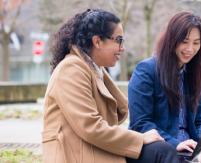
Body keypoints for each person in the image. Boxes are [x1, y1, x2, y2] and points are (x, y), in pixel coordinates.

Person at [42, 9, 179, 163]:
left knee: (161, 149)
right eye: (118, 40)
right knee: (161, 152)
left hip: (95, 150)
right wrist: (140, 138)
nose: (122, 47)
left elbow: (114, 115)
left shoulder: (93, 68)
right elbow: (90, 127)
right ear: (97, 41)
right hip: (77, 155)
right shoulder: (71, 69)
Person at [128, 11, 201, 158]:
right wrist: (175, 143)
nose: (190, 49)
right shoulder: (146, 70)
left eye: (196, 43)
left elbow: (199, 122)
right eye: (184, 41)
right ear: (172, 40)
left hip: (190, 148)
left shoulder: (194, 74)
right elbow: (140, 123)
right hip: (160, 148)